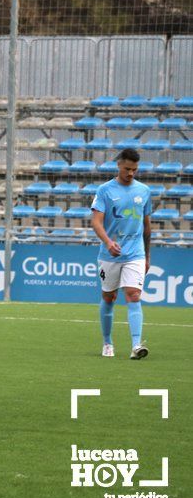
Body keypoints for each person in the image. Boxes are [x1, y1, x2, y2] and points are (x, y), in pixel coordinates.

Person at [91, 149, 152, 359]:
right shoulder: (105, 190)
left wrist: (148, 256)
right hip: (110, 255)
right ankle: (107, 343)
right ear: (119, 165)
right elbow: (96, 222)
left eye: (135, 169)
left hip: (135, 253)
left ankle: (136, 345)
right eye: (127, 169)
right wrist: (108, 242)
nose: (131, 173)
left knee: (134, 295)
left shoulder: (144, 191)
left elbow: (147, 227)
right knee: (109, 297)